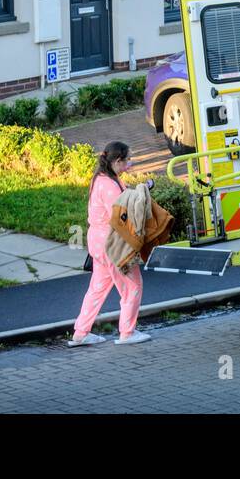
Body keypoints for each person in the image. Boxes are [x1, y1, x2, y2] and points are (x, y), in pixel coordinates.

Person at [69, 141, 150, 346]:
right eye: (127, 160)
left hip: (97, 243)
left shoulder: (101, 179)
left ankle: (81, 332)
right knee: (132, 285)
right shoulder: (108, 184)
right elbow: (121, 213)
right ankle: (127, 332)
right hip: (113, 244)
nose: (129, 164)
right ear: (117, 161)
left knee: (97, 288)